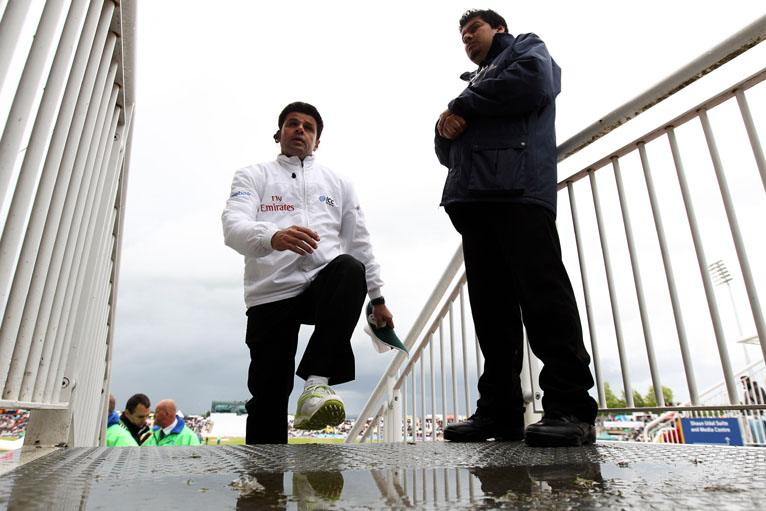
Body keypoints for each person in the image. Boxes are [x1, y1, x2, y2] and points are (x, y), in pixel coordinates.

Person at [434, 9, 598, 446]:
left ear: (499, 29)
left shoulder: (527, 47)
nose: (467, 37)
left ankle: (570, 407)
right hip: (476, 200)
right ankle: (499, 413)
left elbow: (534, 81)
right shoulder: (477, 82)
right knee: (492, 315)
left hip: (520, 193)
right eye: (462, 33)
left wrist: (460, 106)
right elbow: (449, 150)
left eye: (475, 29)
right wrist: (442, 125)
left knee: (545, 300)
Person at [222, 102, 393, 444]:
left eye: (309, 127)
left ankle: (317, 382)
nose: (300, 130)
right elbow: (233, 227)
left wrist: (378, 299)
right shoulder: (252, 176)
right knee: (268, 394)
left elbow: (360, 242)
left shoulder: (339, 183)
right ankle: (263, 487)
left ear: (317, 141)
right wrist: (273, 236)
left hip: (321, 287)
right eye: (292, 124)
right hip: (270, 292)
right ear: (279, 133)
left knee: (349, 267)